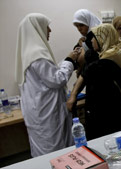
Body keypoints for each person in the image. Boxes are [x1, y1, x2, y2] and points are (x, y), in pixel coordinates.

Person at [15, 13, 80, 157]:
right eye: (46, 26)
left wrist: (68, 60)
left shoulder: (30, 53)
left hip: (40, 110)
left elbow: (48, 73)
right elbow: (57, 79)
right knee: (53, 152)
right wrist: (69, 60)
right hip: (46, 114)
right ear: (36, 28)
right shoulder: (36, 54)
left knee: (46, 148)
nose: (49, 30)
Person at [68, 24, 121, 140]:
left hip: (108, 116)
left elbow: (86, 74)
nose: (91, 41)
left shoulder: (105, 61)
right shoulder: (116, 52)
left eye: (94, 37)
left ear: (102, 38)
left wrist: (73, 96)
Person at [73, 9, 102, 77]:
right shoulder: (85, 37)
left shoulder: (97, 35)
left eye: (81, 25)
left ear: (89, 22)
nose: (79, 29)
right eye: (77, 26)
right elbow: (75, 50)